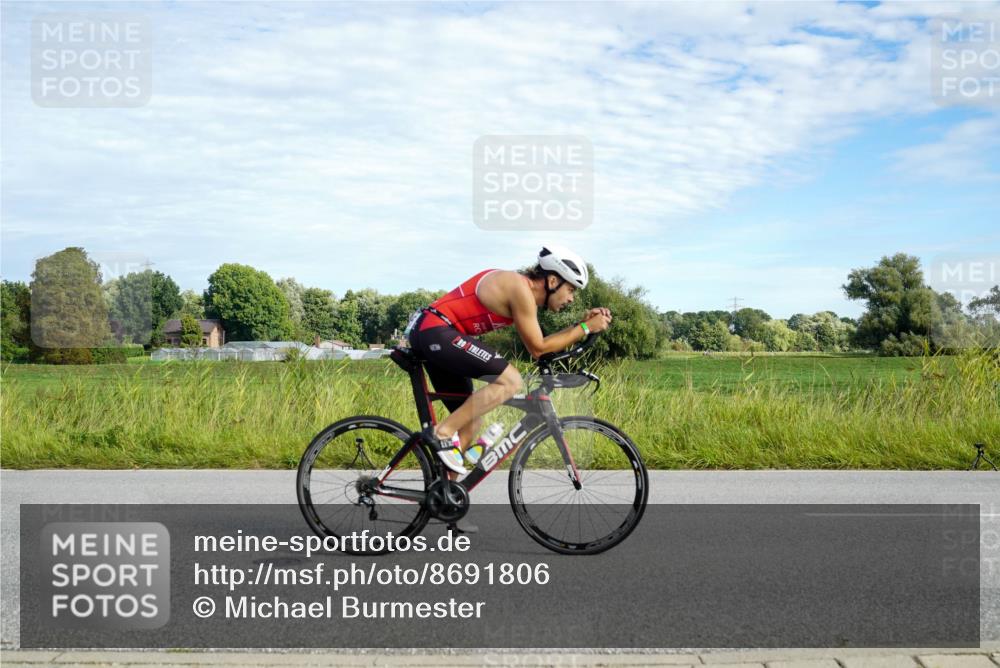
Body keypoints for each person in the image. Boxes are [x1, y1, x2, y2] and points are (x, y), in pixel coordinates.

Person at [406, 245, 613, 484]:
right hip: (436, 331)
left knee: (471, 420)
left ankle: (445, 495)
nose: (571, 298)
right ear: (553, 280)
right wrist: (586, 328)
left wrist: (582, 325)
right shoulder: (519, 288)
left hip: (436, 334)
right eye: (570, 289)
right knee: (511, 381)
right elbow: (538, 348)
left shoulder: (523, 295)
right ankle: (440, 433)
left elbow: (544, 344)